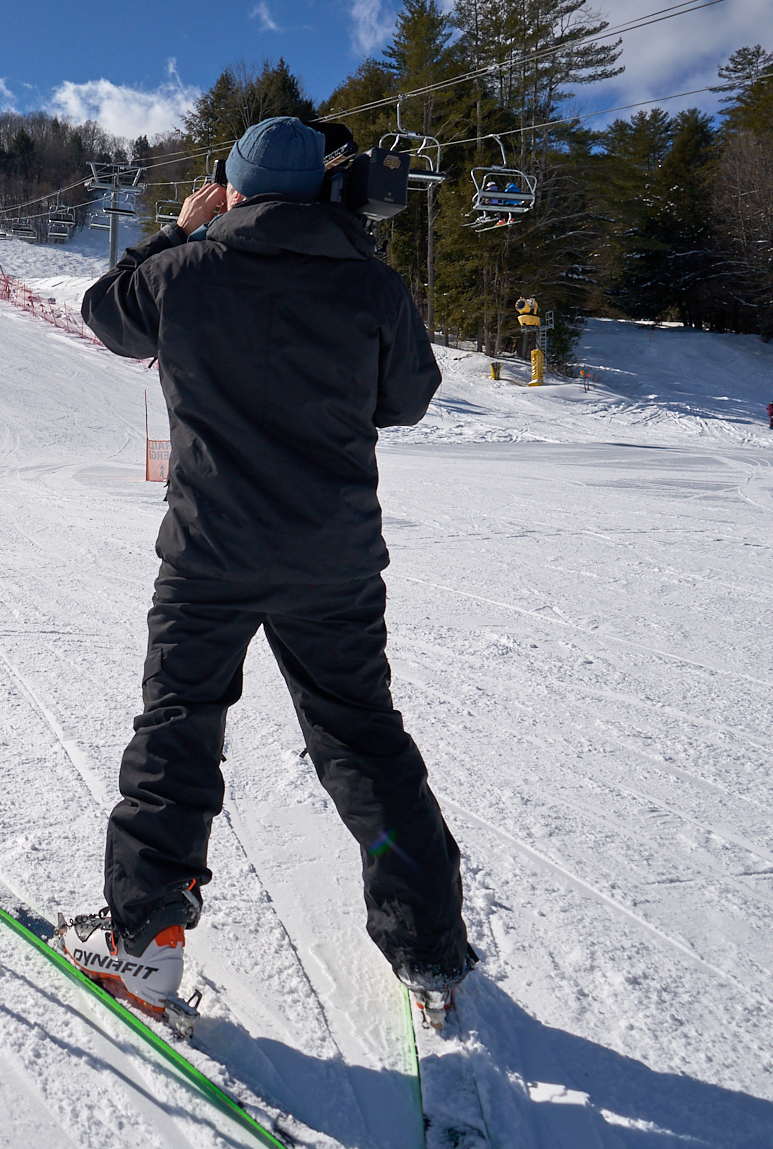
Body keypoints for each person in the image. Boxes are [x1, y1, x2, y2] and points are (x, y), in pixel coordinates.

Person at [61, 117, 475, 1033]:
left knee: (178, 726)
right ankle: (427, 945)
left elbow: (103, 312)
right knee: (363, 740)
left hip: (210, 552)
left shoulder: (182, 272)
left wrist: (181, 228)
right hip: (332, 559)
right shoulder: (370, 284)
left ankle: (147, 943)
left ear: (234, 191)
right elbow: (407, 399)